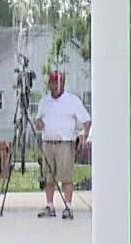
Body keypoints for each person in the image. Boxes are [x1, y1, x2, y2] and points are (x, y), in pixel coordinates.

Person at [35, 71, 90, 219]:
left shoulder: (72, 100)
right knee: (49, 177)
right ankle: (50, 205)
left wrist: (84, 135)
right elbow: (38, 121)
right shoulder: (44, 101)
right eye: (54, 82)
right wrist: (39, 124)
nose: (56, 86)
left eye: (59, 82)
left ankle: (68, 206)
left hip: (65, 143)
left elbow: (86, 120)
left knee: (66, 176)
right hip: (48, 142)